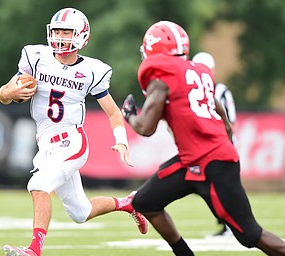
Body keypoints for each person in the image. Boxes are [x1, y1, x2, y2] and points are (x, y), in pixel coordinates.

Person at [121, 20, 285, 256]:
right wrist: (221, 134)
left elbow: (146, 128)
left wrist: (129, 114)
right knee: (145, 202)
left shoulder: (162, 78)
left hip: (210, 163)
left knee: (249, 235)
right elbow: (220, 112)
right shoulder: (198, 71)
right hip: (193, 161)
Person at [0, 8, 148, 256]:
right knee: (81, 213)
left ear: (81, 35)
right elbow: (3, 93)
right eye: (57, 31)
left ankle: (34, 250)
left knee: (38, 185)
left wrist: (121, 141)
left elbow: (113, 112)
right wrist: (9, 93)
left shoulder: (92, 70)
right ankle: (130, 204)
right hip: (46, 145)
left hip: (71, 141)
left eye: (67, 32)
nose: (60, 36)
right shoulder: (36, 57)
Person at [192, 51, 236, 236]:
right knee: (205, 187)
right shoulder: (189, 89)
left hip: (218, 145)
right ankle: (227, 222)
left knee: (220, 186)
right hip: (200, 147)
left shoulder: (221, 91)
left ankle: (231, 224)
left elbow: (230, 121)